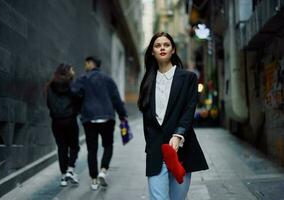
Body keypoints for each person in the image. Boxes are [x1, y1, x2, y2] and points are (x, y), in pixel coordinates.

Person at [138, 32, 209, 200]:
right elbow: (147, 120)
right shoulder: (147, 81)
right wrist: (150, 146)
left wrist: (178, 135)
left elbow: (189, 109)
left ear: (173, 50)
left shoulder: (188, 78)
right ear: (152, 52)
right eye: (157, 45)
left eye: (166, 44)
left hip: (181, 151)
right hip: (156, 151)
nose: (162, 47)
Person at [71, 56, 127, 190]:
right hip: (107, 117)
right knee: (108, 145)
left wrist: (80, 109)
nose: (85, 66)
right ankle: (103, 170)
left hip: (89, 118)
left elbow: (74, 94)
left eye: (86, 63)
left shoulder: (83, 79)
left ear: (91, 64)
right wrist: (123, 115)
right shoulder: (108, 79)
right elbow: (116, 99)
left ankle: (94, 179)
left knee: (92, 149)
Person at [45, 63, 81, 187]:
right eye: (72, 69)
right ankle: (70, 170)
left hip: (56, 121)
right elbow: (77, 100)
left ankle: (63, 176)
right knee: (74, 146)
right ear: (67, 72)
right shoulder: (72, 85)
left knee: (62, 147)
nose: (74, 71)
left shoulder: (50, 86)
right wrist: (75, 112)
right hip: (70, 120)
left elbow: (49, 103)